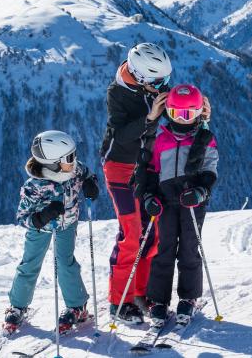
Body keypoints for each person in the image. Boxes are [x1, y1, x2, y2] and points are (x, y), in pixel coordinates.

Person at [100, 43, 173, 324]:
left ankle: (142, 293)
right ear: (141, 77)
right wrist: (150, 117)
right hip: (119, 167)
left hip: (146, 166)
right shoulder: (117, 93)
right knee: (131, 234)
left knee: (152, 233)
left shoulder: (151, 86)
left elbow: (173, 116)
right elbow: (121, 136)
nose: (164, 85)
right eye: (159, 81)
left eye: (166, 79)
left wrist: (197, 114)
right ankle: (119, 301)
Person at [134, 84, 217, 327]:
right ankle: (158, 300)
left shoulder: (204, 139)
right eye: (177, 114)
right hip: (165, 202)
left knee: (189, 248)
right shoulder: (160, 138)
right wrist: (149, 197)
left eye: (188, 115)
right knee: (164, 249)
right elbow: (149, 171)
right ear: (168, 112)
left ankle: (188, 297)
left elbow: (210, 169)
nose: (182, 121)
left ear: (199, 114)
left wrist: (201, 191)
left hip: (192, 202)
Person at [4, 130, 100, 334]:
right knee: (30, 263)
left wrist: (91, 183)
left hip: (68, 224)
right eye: (69, 157)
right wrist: (41, 217)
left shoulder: (73, 169)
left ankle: (77, 306)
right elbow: (22, 216)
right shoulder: (35, 186)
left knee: (65, 262)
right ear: (53, 162)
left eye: (74, 154)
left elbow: (86, 173)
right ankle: (17, 306)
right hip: (40, 229)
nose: (74, 160)